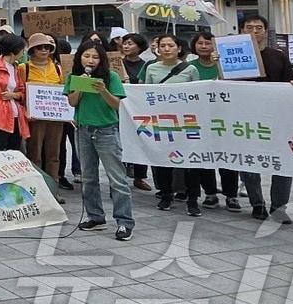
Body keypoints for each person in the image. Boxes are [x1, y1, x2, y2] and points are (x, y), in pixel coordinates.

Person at [229, 16, 293, 222]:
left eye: (259, 28)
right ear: (242, 30)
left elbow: (289, 84)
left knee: (283, 163)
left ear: (265, 31)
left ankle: (279, 207)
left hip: (277, 117)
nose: (254, 31)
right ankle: (257, 204)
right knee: (248, 163)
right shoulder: (230, 54)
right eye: (249, 27)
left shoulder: (279, 56)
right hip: (245, 117)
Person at [66, 40, 134, 242]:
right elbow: (72, 102)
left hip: (106, 131)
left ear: (101, 60)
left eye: (95, 57)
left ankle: (124, 222)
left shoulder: (111, 77)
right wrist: (81, 85)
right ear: (80, 58)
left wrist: (103, 89)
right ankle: (95, 217)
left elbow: (116, 105)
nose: (90, 60)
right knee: (88, 177)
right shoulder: (74, 77)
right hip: (83, 130)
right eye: (87, 56)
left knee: (117, 179)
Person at [144, 34, 204, 216]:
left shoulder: (191, 69)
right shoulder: (151, 68)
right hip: (162, 121)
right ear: (157, 49)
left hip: (187, 122)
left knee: (191, 163)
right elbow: (146, 94)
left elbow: (198, 94)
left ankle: (193, 199)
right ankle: (166, 195)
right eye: (163, 45)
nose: (166, 49)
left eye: (171, 45)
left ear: (179, 48)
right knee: (163, 160)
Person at [21, 33, 66, 201]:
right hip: (34, 118)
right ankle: (36, 189)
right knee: (35, 154)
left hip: (55, 118)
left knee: (54, 154)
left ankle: (53, 189)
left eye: (47, 47)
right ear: (32, 50)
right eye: (40, 47)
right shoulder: (23, 68)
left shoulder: (57, 68)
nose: (44, 50)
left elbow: (64, 89)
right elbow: (20, 91)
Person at [186, 32, 222, 209]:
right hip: (197, 117)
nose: (204, 46)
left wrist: (219, 66)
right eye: (200, 43)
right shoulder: (188, 66)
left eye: (208, 43)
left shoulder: (221, 65)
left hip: (222, 117)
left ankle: (231, 195)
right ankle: (210, 193)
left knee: (226, 155)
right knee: (204, 156)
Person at [117, 32, 154, 192]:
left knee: (141, 140)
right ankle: (121, 176)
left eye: (130, 43)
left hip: (139, 109)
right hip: (119, 107)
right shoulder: (117, 63)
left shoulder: (146, 65)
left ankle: (139, 176)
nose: (126, 46)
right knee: (120, 142)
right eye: (124, 43)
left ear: (139, 47)